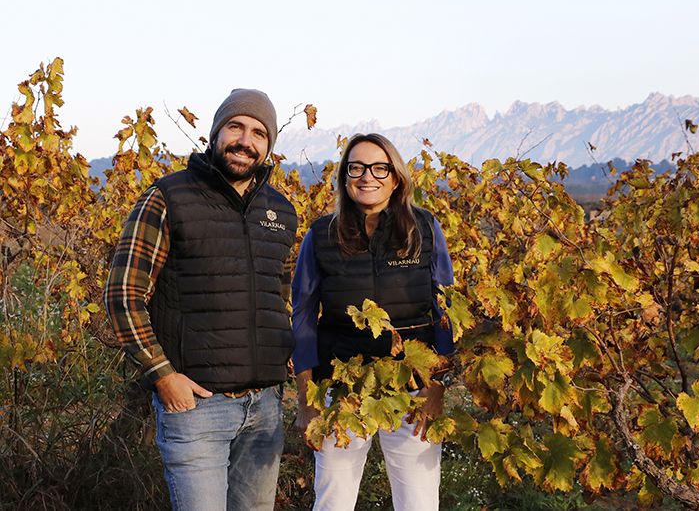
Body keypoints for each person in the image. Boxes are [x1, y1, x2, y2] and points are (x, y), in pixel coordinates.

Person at [103, 89, 297, 511]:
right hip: (196, 408)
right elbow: (122, 294)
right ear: (216, 133)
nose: (246, 140)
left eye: (259, 133)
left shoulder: (281, 210)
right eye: (236, 127)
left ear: (268, 146)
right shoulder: (169, 197)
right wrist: (163, 375)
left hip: (264, 409)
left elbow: (278, 297)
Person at [291, 133, 454, 511]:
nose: (368, 176)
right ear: (345, 178)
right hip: (340, 388)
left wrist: (437, 386)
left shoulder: (424, 229)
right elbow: (302, 320)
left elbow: (445, 309)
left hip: (414, 387)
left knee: (419, 503)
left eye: (380, 167)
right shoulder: (320, 235)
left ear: (396, 177)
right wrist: (306, 398)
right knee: (333, 501)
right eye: (357, 167)